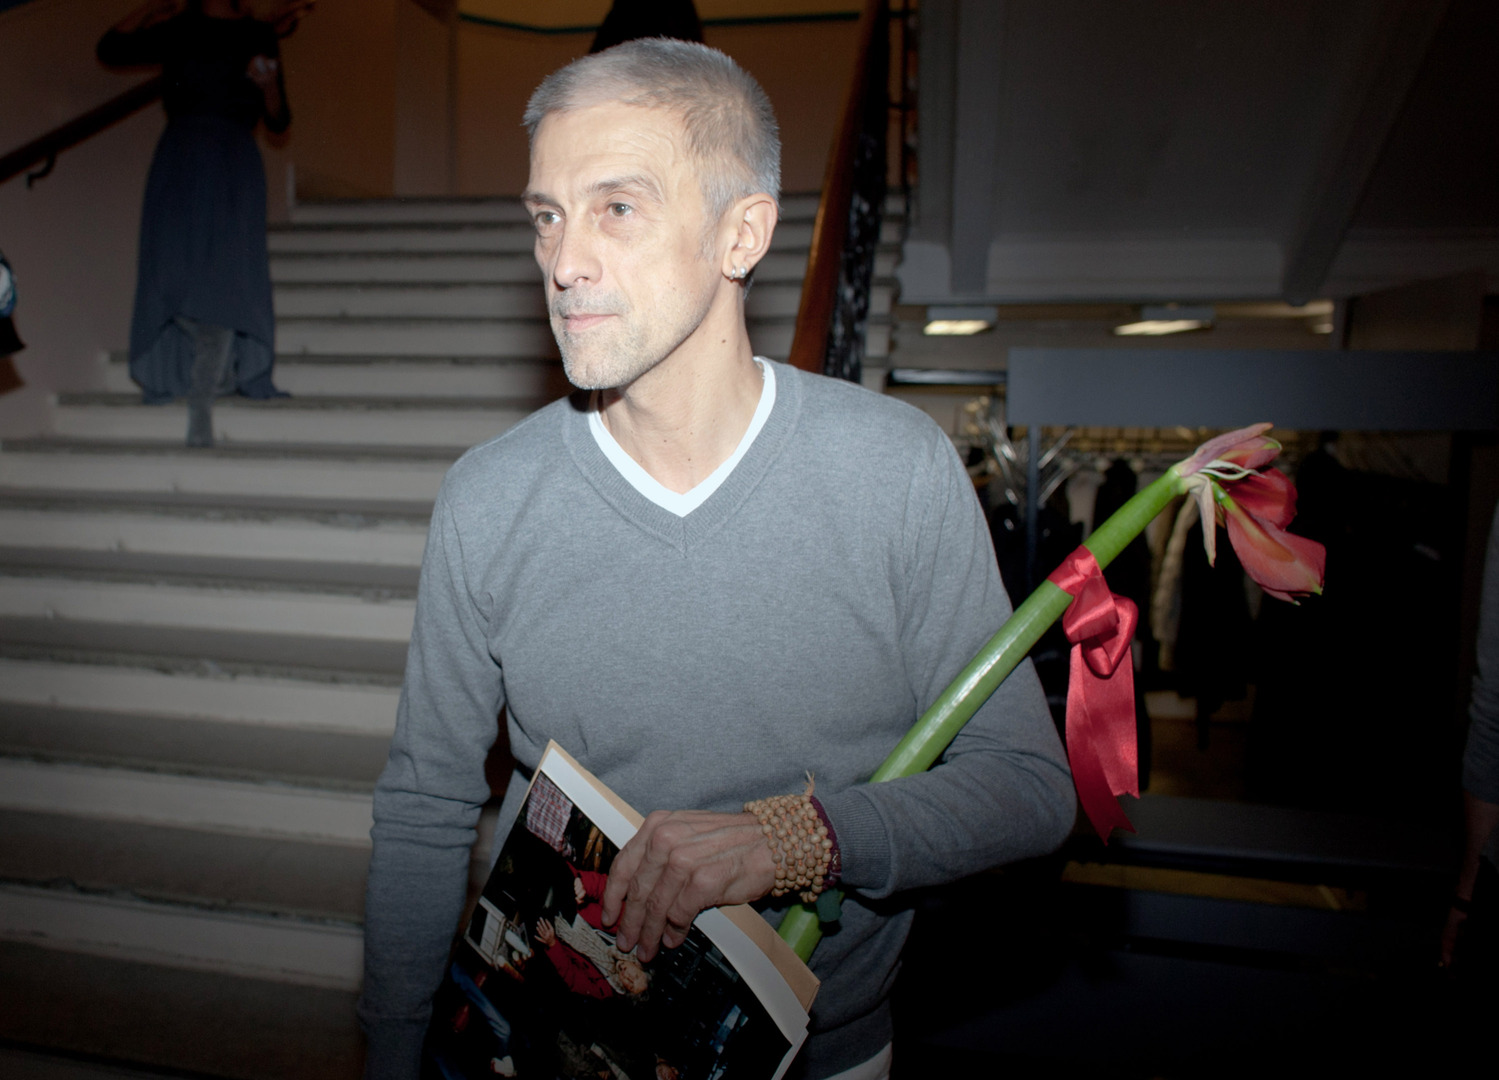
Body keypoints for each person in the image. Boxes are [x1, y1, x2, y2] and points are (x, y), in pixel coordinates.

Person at [358, 39, 1074, 1080]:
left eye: (616, 208)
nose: (562, 262)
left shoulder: (895, 471)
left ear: (741, 233)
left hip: (823, 1054)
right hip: (547, 1042)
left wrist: (794, 839)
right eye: (547, 216)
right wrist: (389, 1053)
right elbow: (427, 805)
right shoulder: (487, 497)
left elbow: (1026, 789)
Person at [97, 0, 313, 447]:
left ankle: (202, 398)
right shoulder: (181, 27)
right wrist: (150, 9)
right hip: (181, 159)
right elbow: (111, 49)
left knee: (225, 283)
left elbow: (279, 119)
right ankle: (210, 368)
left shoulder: (257, 33)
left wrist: (269, 85)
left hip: (234, 161)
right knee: (169, 277)